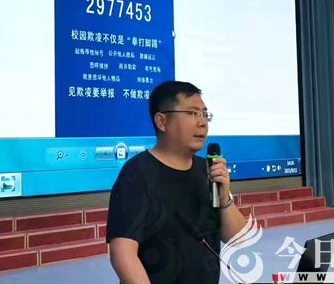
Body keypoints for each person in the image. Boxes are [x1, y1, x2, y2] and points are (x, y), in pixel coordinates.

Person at [106, 81, 247, 284]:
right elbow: (123, 254)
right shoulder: (137, 174)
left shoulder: (207, 170)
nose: (202, 123)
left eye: (204, 114)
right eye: (192, 113)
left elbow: (238, 239)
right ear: (162, 121)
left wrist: (224, 198)